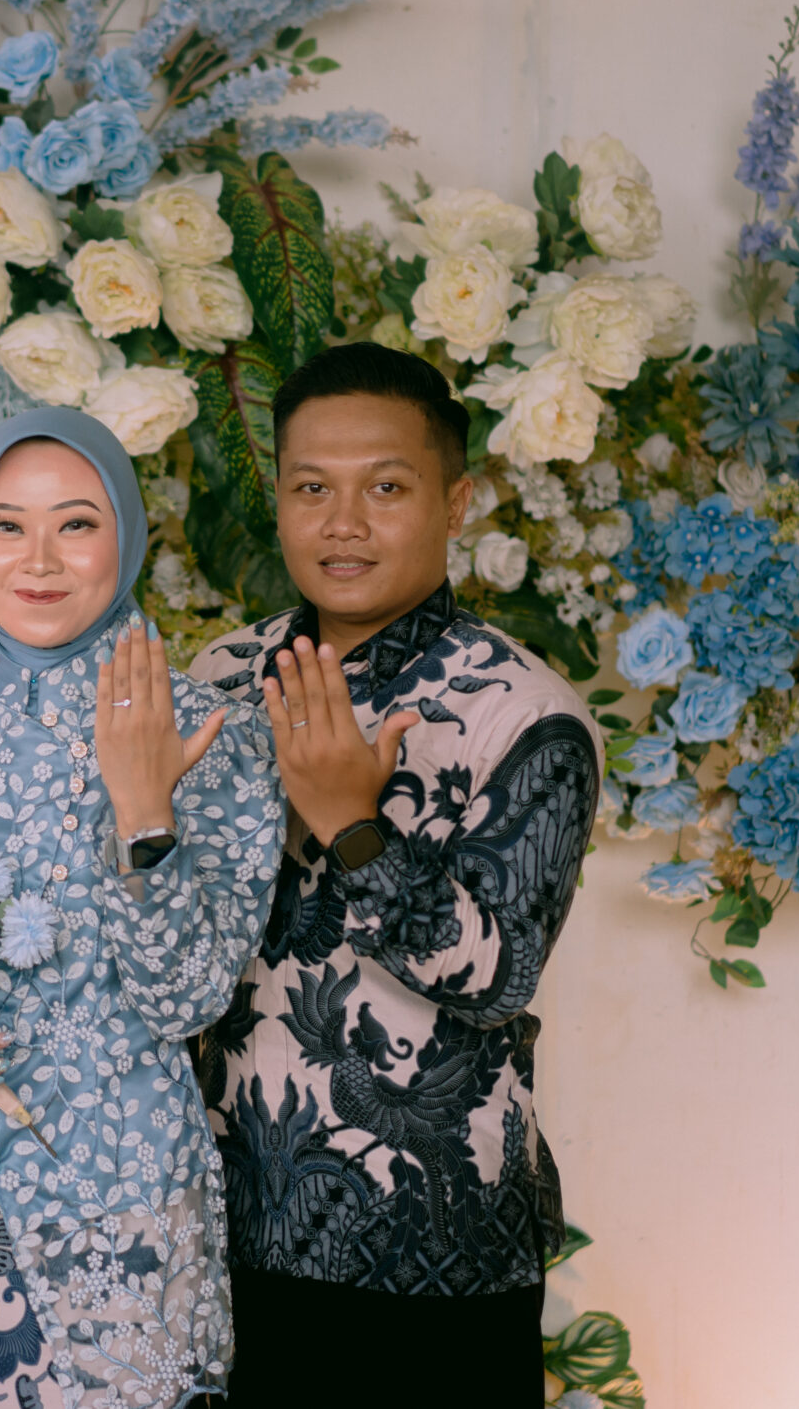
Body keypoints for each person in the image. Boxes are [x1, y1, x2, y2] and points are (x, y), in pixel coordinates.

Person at [0, 407, 283, 1409]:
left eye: (76, 523)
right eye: (6, 525)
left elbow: (185, 999)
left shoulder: (213, 729)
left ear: (127, 535)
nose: (37, 559)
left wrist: (144, 812)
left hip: (115, 1202)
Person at [187, 343, 600, 1404]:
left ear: (455, 502)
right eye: (310, 488)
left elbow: (497, 979)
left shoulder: (525, 714)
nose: (342, 523)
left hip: (426, 1256)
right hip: (214, 1223)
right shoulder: (220, 676)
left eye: (384, 488)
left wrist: (351, 826)